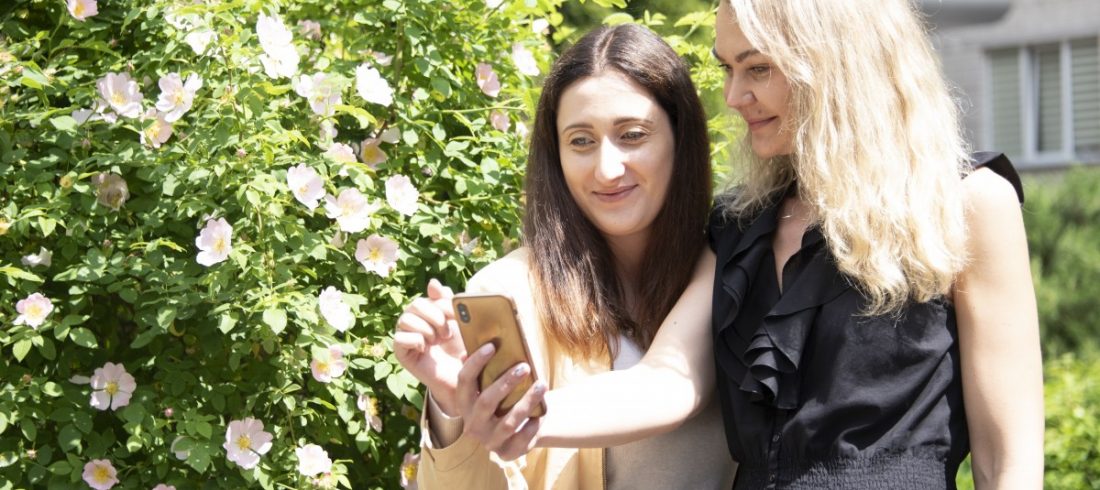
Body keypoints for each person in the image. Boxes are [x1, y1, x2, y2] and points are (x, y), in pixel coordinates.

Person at [423, 0, 1044, 488]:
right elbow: (668, 380)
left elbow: (1009, 460)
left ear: (833, 62)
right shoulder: (739, 225)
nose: (732, 96)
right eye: (727, 68)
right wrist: (524, 417)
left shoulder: (968, 203)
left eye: (757, 67)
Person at [393, 23, 737, 488]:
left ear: (681, 139)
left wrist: (529, 416)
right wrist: (455, 407)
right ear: (555, 154)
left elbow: (668, 388)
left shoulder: (732, 264)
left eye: (632, 135)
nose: (607, 169)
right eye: (581, 141)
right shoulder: (509, 294)